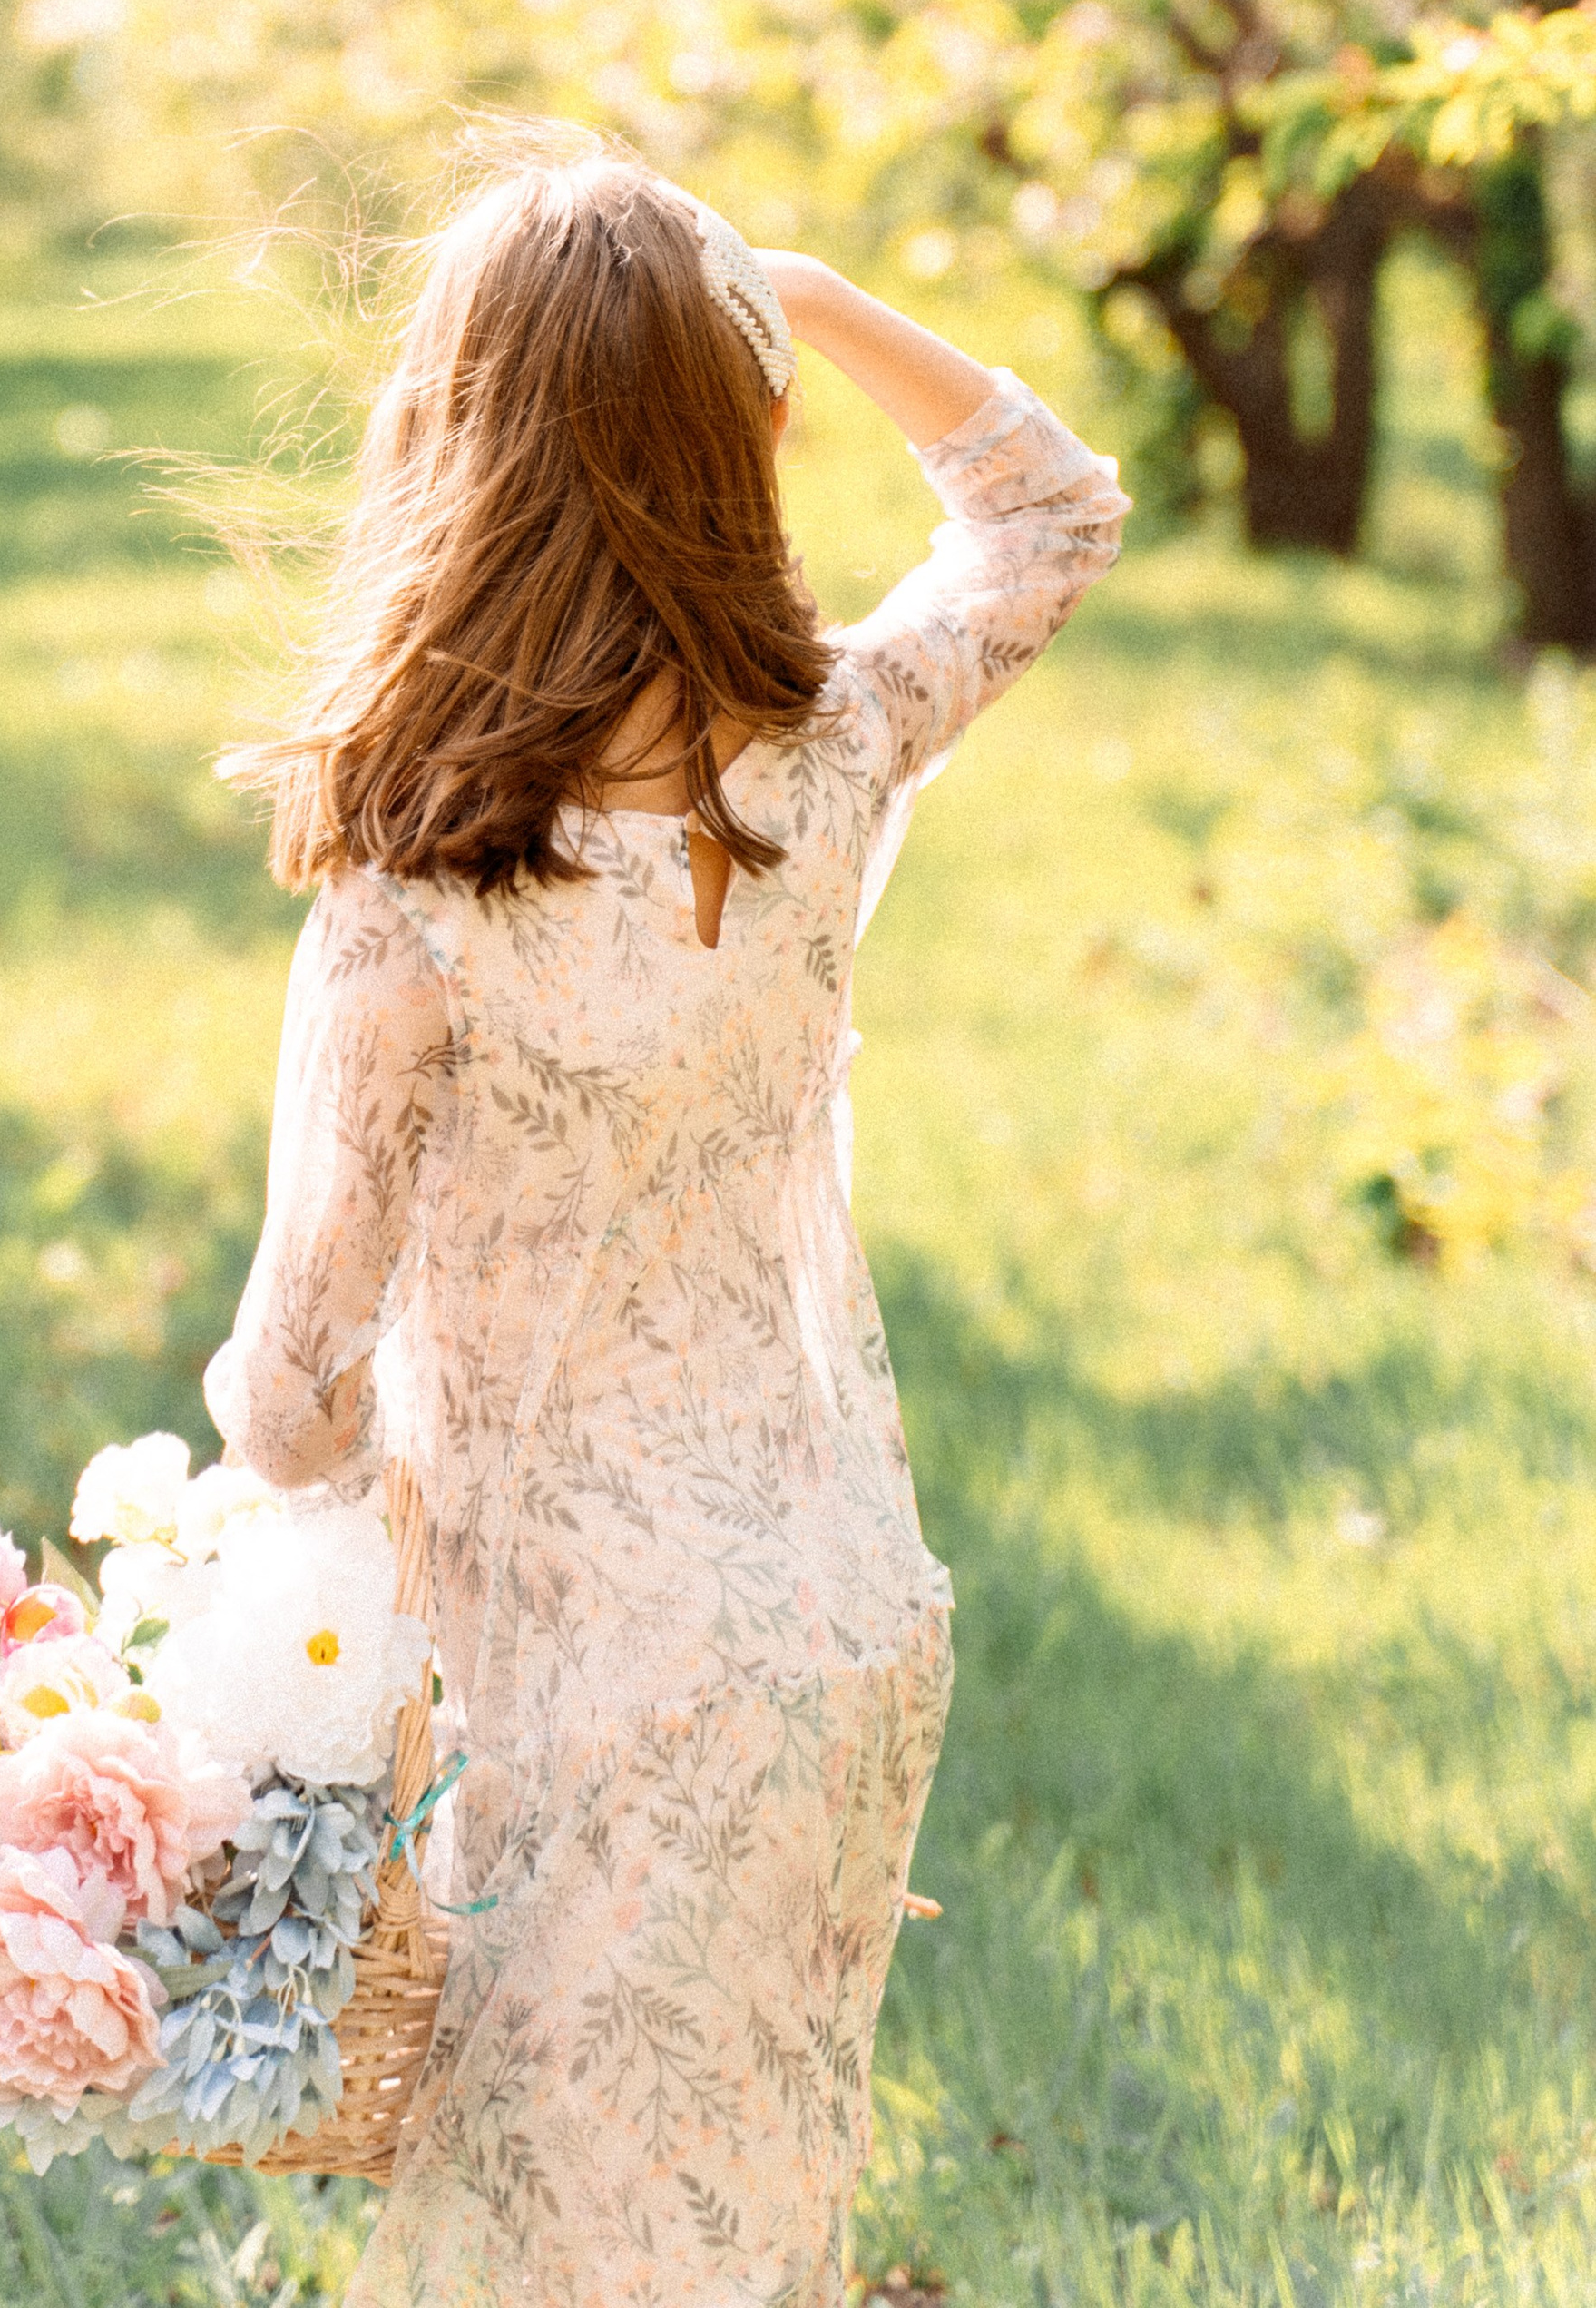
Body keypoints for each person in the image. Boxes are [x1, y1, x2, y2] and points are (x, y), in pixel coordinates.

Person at [205, 138, 1127, 2308]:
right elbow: (1047, 506)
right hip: (832, 1624)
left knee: (541, 2245)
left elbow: (293, 1378)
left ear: (454, 446)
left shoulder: (419, 892)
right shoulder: (825, 758)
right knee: (737, 2217)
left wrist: (284, 1476)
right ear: (743, 433)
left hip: (570, 1689)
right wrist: (791, 285)